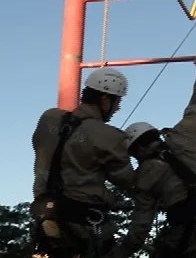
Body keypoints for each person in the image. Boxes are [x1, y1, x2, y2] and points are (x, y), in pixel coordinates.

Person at [106, 68, 196, 258]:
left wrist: (118, 254)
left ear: (137, 151)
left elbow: (140, 228)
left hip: (188, 233)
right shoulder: (185, 134)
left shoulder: (145, 177)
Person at [31, 67, 135, 258]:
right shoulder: (110, 137)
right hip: (84, 227)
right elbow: (129, 182)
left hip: (46, 222)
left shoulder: (49, 119)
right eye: (117, 101)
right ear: (105, 99)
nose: (118, 108)